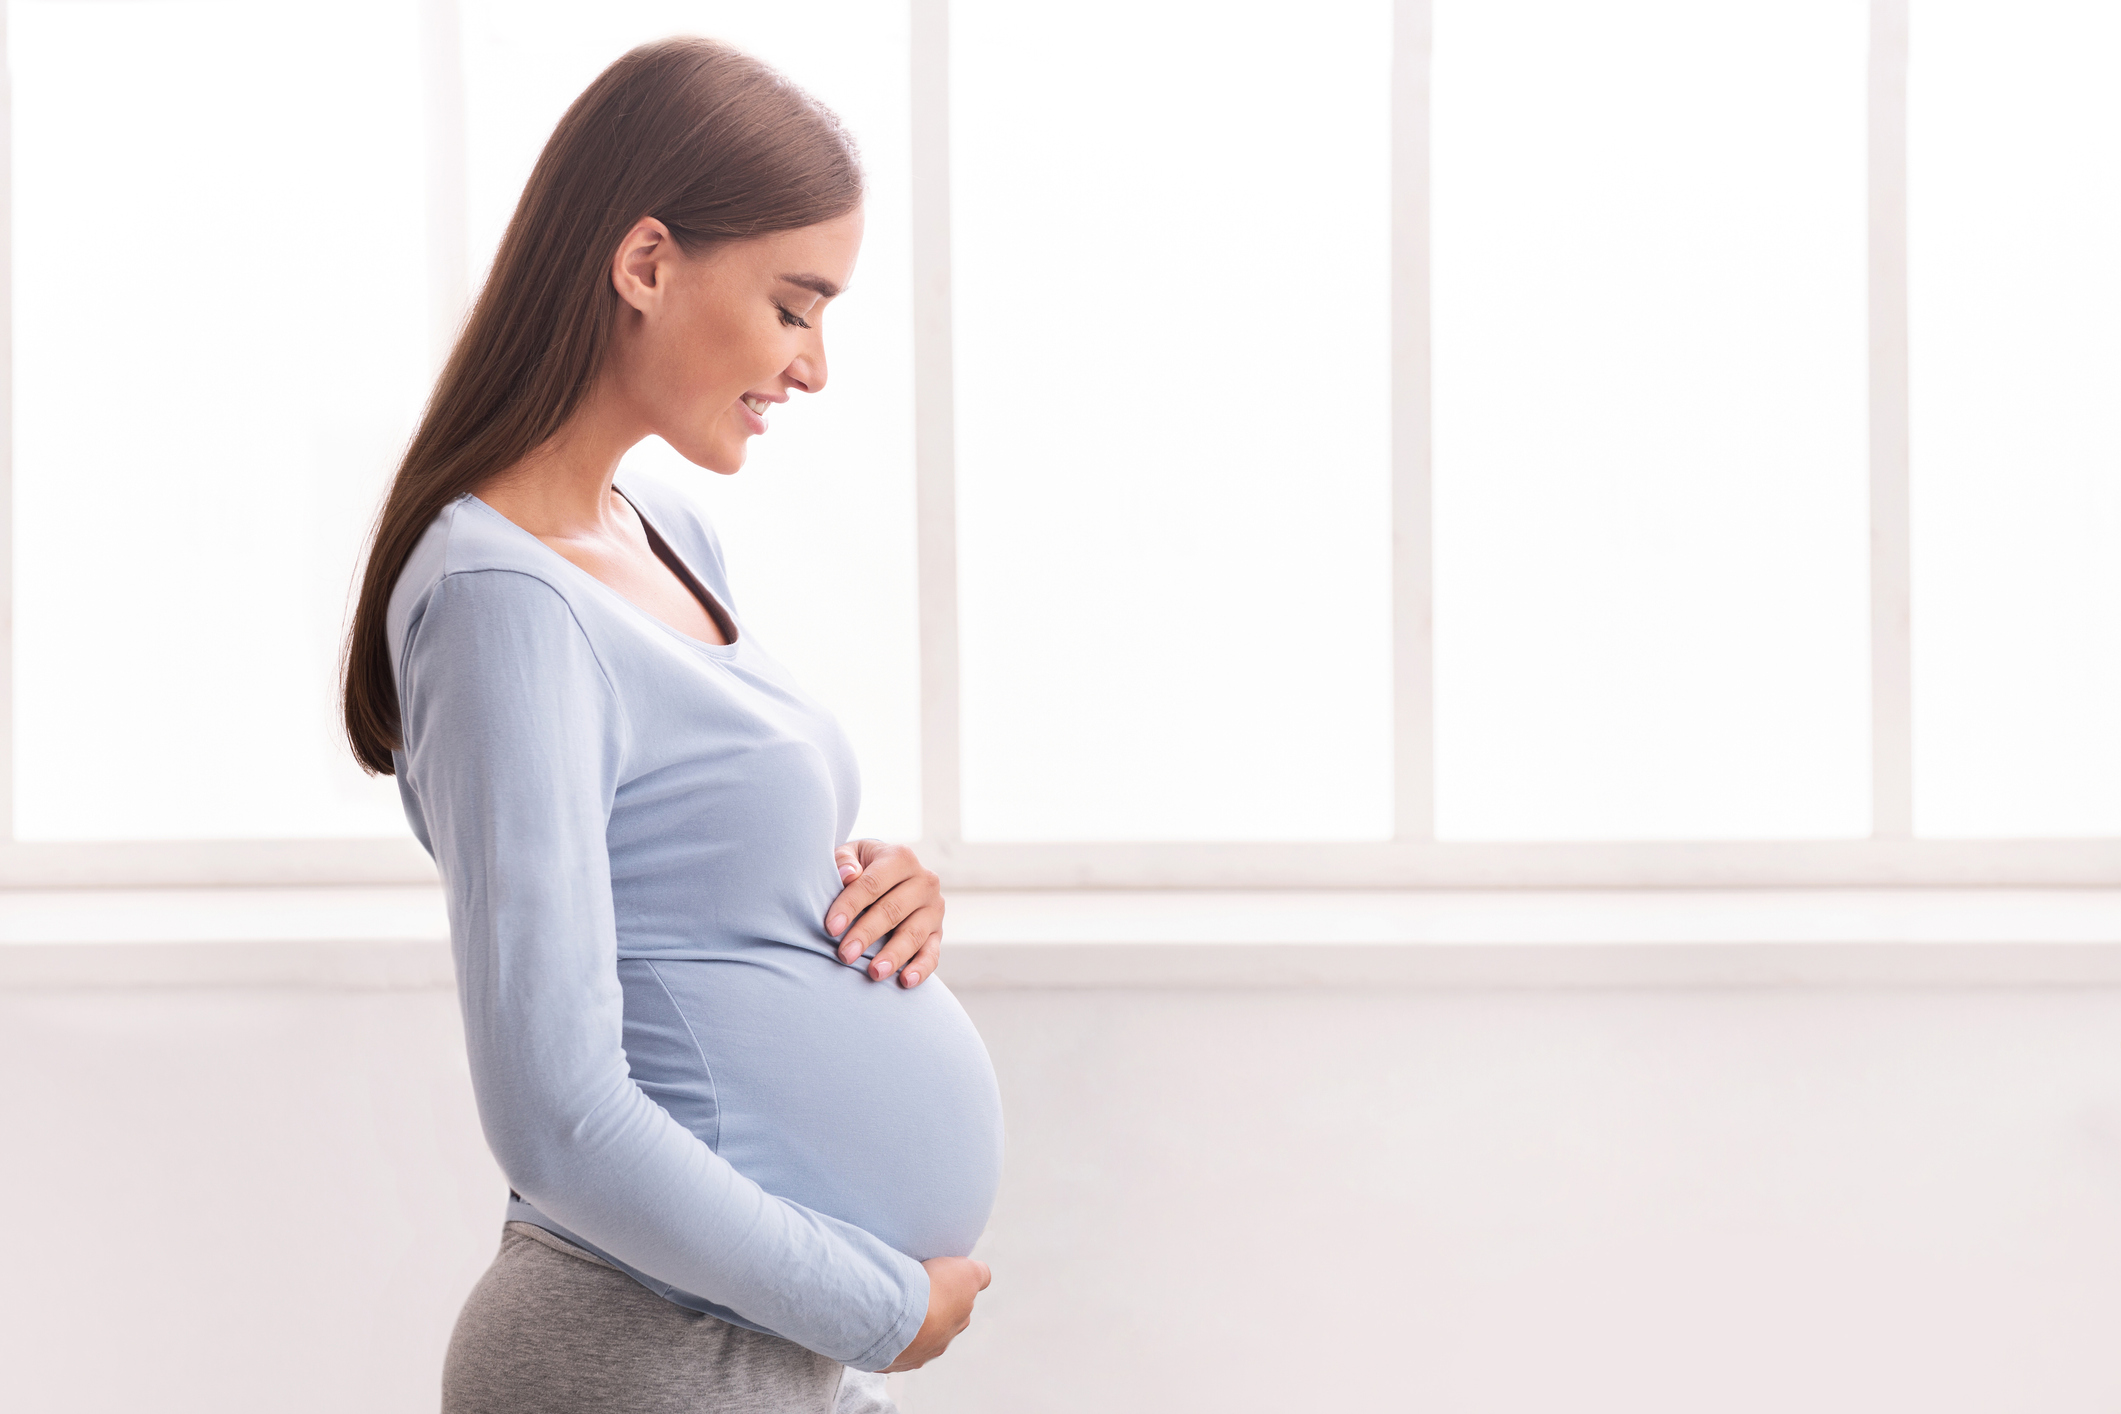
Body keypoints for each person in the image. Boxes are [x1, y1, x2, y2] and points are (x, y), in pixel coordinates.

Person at [338, 37, 1002, 1413]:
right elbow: (558, 1116)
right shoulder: (495, 599)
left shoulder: (666, 528)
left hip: (753, 1346)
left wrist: (884, 893)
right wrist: (878, 1304)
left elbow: (695, 875)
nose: (813, 367)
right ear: (644, 263)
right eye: (794, 304)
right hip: (637, 1348)